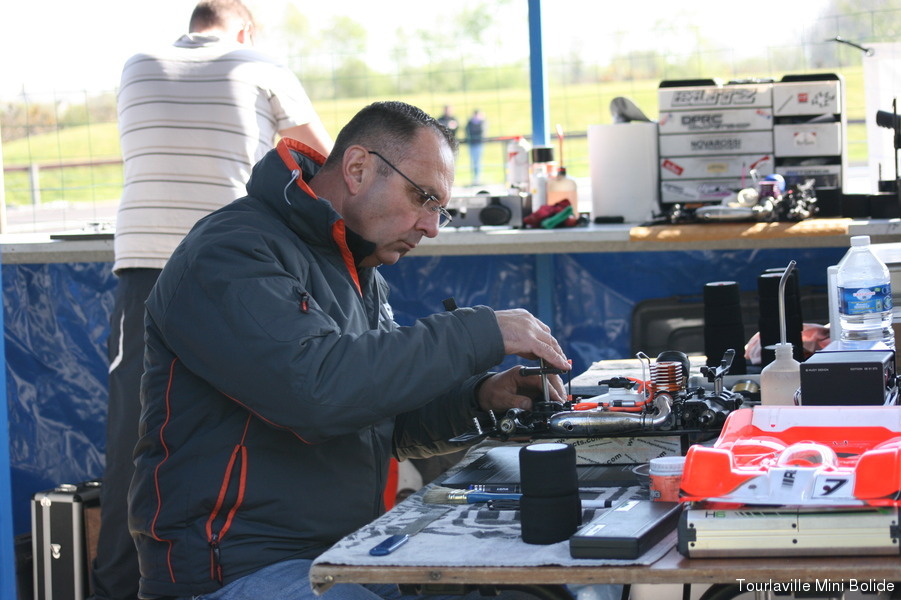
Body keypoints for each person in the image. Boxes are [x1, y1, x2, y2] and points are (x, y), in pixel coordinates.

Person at [128, 100, 569, 600]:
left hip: (345, 555)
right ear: (358, 168)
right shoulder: (230, 251)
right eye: (423, 197)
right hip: (237, 568)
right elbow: (314, 392)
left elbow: (380, 416)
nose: (431, 227)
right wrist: (477, 333)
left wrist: (482, 398)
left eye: (439, 209)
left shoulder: (356, 266)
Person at [92, 1, 333, 598]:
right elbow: (328, 167)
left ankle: (118, 587)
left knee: (134, 437)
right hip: (230, 266)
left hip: (145, 265)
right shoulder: (262, 65)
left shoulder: (134, 65)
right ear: (245, 28)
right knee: (249, 424)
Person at [465, 109, 486, 185]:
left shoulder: (482, 122)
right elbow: (467, 131)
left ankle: (477, 178)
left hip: (478, 144)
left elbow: (482, 131)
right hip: (472, 144)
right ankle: (474, 178)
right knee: (473, 161)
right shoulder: (470, 123)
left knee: (478, 161)